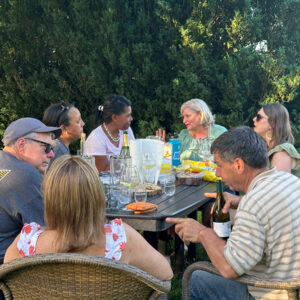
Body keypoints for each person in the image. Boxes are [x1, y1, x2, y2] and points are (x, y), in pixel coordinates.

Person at [167, 126, 300, 300]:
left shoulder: (255, 203)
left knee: (196, 276)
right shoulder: (289, 180)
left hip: (275, 292)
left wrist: (202, 233)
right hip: (293, 284)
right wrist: (241, 200)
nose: (217, 172)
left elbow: (229, 268)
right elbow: (268, 209)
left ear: (238, 165)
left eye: (219, 165)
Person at [4, 155, 173, 281]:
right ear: (96, 197)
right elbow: (165, 274)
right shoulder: (120, 239)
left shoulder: (25, 242)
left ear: (50, 200)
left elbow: (9, 281)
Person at [0, 118, 61, 264]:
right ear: (21, 145)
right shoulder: (24, 174)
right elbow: (50, 232)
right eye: (46, 147)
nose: (51, 155)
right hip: (8, 270)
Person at [86, 95, 135, 173]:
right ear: (114, 117)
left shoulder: (126, 130)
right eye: (128, 116)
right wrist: (124, 161)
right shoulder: (96, 138)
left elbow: (135, 155)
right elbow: (102, 171)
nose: (131, 119)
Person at [253, 103, 300, 177]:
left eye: (259, 117)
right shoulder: (269, 150)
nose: (254, 119)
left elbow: (279, 187)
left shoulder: (282, 152)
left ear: (272, 124)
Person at [42, 102, 85, 168]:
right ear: (63, 129)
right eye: (78, 121)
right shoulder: (59, 152)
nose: (83, 124)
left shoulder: (58, 146)